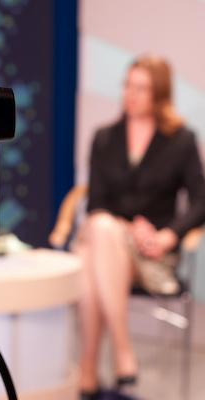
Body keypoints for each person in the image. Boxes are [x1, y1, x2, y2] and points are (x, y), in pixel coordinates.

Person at [77, 55, 205, 399]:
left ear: (159, 94)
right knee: (101, 230)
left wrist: (167, 236)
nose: (131, 95)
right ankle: (123, 356)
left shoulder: (180, 140)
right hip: (111, 244)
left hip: (153, 255)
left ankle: (88, 374)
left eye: (141, 88)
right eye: (127, 85)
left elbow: (201, 201)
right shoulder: (104, 138)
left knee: (91, 253)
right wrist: (126, 228)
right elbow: (96, 205)